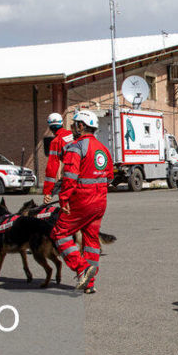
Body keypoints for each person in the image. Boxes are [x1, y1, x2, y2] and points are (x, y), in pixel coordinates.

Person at [48, 110, 112, 293]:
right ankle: (90, 284)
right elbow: (109, 177)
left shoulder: (76, 147)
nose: (72, 128)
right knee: (91, 240)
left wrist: (63, 199)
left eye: (75, 124)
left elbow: (69, 177)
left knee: (60, 233)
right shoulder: (103, 149)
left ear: (81, 126)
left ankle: (82, 268)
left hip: (81, 201)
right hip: (100, 202)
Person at [42, 112, 74, 204]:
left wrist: (48, 192)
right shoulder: (72, 134)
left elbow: (51, 168)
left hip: (71, 175)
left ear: (49, 127)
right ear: (62, 123)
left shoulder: (55, 142)